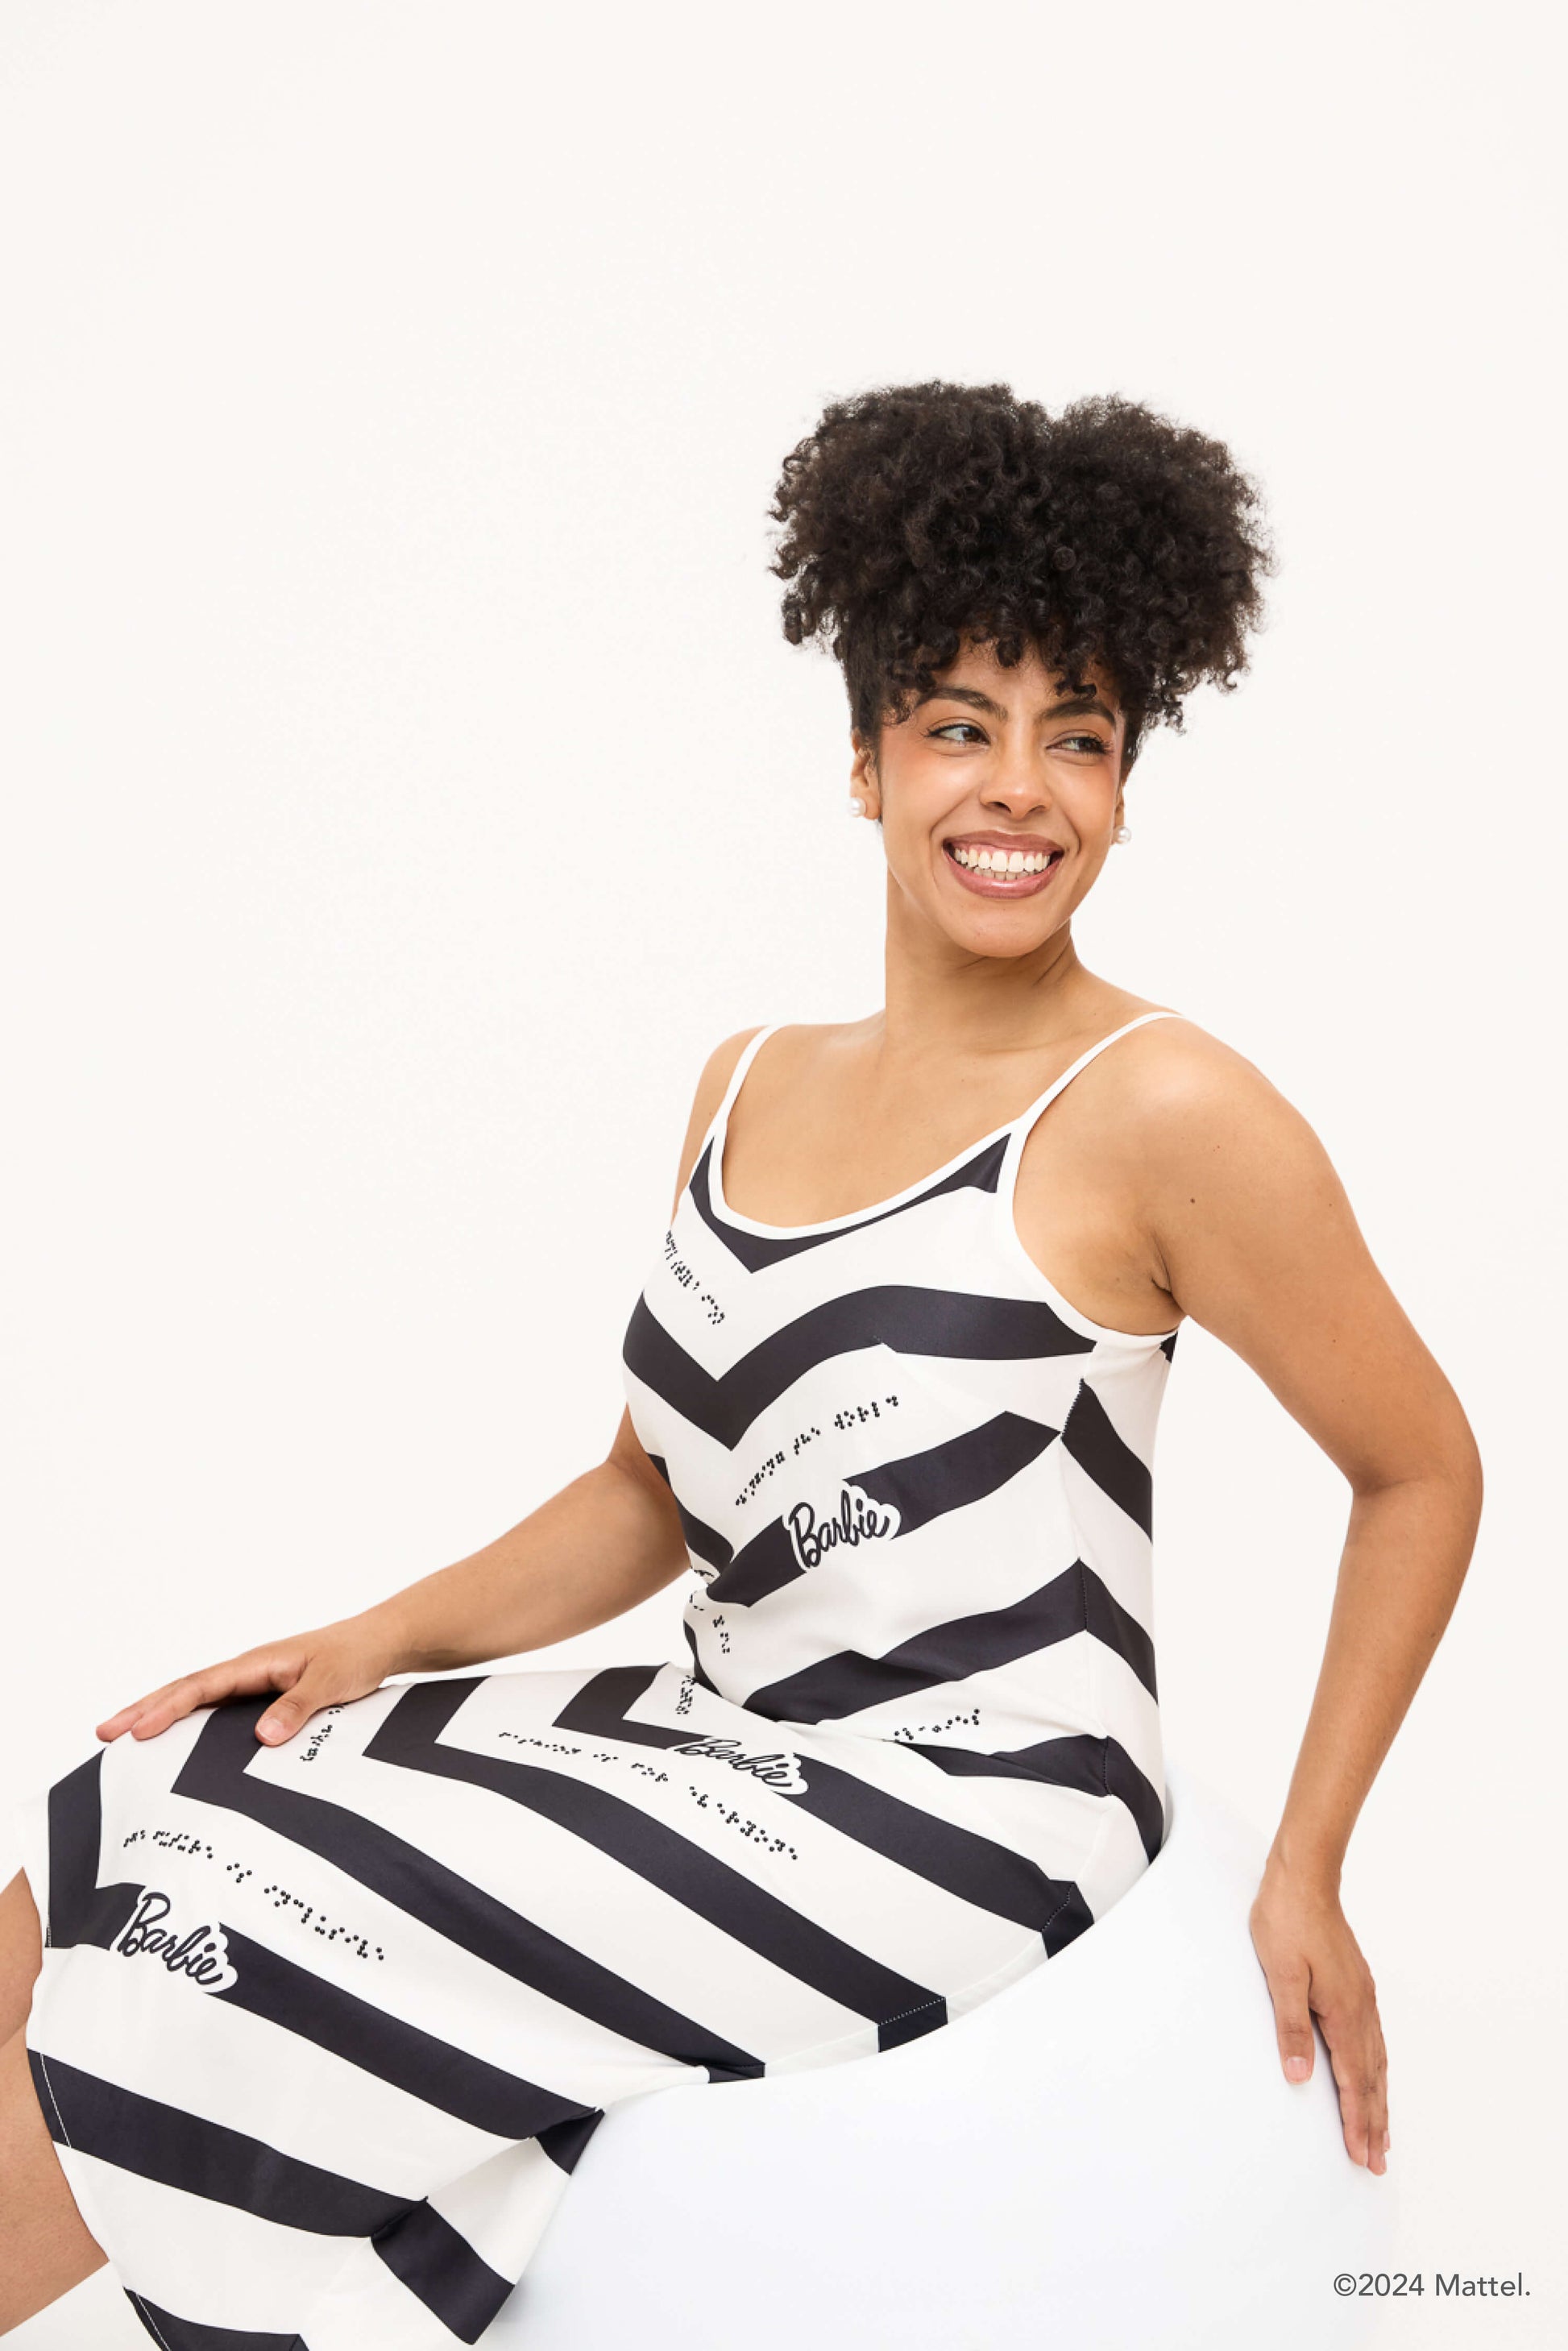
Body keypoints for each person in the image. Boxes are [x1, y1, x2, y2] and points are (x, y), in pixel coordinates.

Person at [0, 380, 1481, 2347]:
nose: (1018, 787)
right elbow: (649, 1488)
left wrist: (1304, 1864)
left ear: (1128, 778)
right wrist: (372, 1638)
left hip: (971, 1798)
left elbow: (1421, 1469)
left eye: (1082, 737)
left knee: (252, 1939)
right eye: (959, 724)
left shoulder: (1170, 1111)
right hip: (724, 1723)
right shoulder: (745, 1085)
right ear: (863, 759)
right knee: (162, 1789)